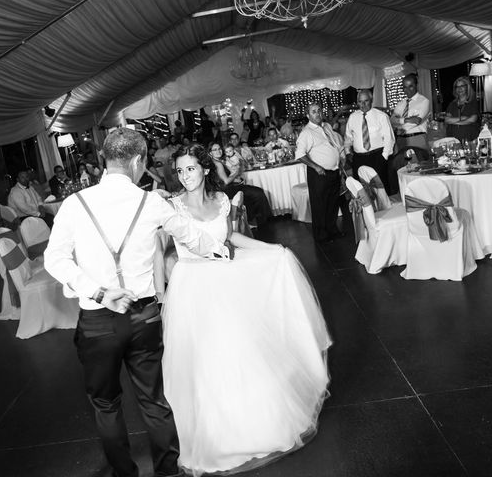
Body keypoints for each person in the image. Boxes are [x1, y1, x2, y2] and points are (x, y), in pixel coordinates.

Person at [44, 128, 230, 477]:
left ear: (104, 159)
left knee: (106, 405)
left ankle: (125, 474)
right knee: (154, 401)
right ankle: (168, 472)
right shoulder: (153, 203)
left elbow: (55, 260)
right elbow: (194, 238)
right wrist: (223, 251)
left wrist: (99, 291)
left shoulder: (74, 204)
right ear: (138, 160)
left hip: (98, 321)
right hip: (144, 317)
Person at [162, 144, 331, 476]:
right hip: (194, 290)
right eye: (180, 171)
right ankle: (218, 436)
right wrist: (166, 291)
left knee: (242, 350)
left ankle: (258, 425)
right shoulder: (171, 207)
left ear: (205, 169)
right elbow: (166, 253)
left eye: (191, 169)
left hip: (226, 283)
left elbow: (233, 239)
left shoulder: (220, 201)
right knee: (206, 360)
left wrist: (274, 250)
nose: (186, 176)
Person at [295, 103, 345, 243]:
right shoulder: (307, 132)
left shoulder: (326, 126)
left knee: (332, 204)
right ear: (308, 115)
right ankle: (321, 236)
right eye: (313, 111)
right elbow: (299, 154)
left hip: (333, 172)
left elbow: (333, 144)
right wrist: (315, 167)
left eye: (319, 111)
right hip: (319, 174)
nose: (317, 114)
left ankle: (332, 230)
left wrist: (339, 161)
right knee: (320, 206)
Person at [344, 89, 395, 194]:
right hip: (359, 159)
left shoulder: (381, 116)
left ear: (371, 100)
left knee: (382, 190)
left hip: (377, 157)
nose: (363, 104)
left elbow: (389, 139)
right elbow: (348, 138)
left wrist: (384, 157)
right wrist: (348, 153)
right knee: (362, 191)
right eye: (360, 101)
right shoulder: (353, 117)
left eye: (366, 101)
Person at [210, 142, 272, 227]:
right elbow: (226, 181)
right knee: (258, 193)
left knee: (253, 193)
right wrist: (237, 172)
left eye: (219, 149)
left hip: (229, 188)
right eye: (215, 150)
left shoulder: (217, 161)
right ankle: (262, 222)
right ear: (210, 153)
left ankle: (252, 221)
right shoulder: (218, 164)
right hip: (227, 190)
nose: (218, 151)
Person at [391, 73, 431, 152]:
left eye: (411, 86)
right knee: (402, 163)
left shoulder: (424, 101)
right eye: (405, 87)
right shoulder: (401, 104)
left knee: (418, 163)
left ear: (416, 85)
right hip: (401, 140)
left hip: (416, 139)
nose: (407, 90)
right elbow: (392, 120)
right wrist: (406, 120)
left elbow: (417, 121)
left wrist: (399, 125)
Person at [444, 76, 480, 142]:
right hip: (453, 139)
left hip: (470, 138)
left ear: (467, 87)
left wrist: (454, 122)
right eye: (457, 87)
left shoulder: (473, 102)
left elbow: (473, 119)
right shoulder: (452, 104)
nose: (459, 89)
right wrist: (463, 118)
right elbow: (447, 120)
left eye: (462, 86)